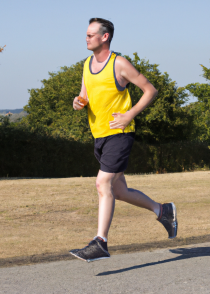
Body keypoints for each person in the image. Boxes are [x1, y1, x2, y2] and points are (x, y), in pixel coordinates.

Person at [70, 18, 178, 263]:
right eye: (86, 35)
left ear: (104, 37)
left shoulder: (119, 64)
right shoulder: (87, 64)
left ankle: (100, 242)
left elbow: (150, 90)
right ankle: (163, 210)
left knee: (102, 184)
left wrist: (130, 114)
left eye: (90, 35)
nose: (86, 38)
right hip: (99, 135)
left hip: (120, 134)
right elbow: (84, 95)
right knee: (118, 190)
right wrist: (78, 102)